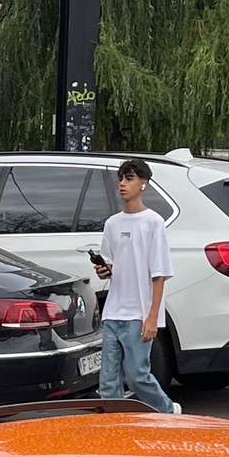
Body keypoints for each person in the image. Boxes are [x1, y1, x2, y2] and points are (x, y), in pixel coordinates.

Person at [90, 158, 176, 415]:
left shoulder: (153, 222)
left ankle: (169, 411)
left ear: (143, 184)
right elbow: (113, 265)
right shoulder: (112, 224)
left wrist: (152, 317)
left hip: (139, 315)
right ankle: (117, 428)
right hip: (114, 313)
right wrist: (105, 268)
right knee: (107, 383)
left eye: (129, 178)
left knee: (137, 376)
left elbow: (159, 274)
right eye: (121, 179)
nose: (123, 184)